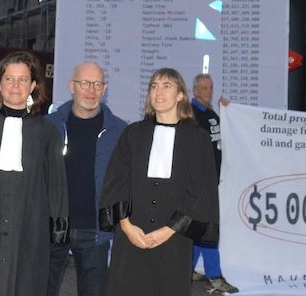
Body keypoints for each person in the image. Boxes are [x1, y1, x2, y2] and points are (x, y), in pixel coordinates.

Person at [0, 51, 69, 296]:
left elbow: (56, 186)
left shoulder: (46, 132)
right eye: (9, 79)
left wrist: (58, 233)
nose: (15, 85)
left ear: (33, 86)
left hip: (29, 228)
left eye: (23, 79)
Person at [98, 68, 219, 295]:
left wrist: (168, 230)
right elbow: (116, 182)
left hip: (174, 239)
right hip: (131, 236)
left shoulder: (197, 139)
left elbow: (200, 192)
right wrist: (126, 226)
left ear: (181, 95)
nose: (158, 92)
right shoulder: (133, 134)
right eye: (154, 86)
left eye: (166, 86)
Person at [46, 61, 128, 296]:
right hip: (54, 224)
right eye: (84, 83)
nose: (91, 90)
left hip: (94, 229)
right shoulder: (49, 126)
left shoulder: (119, 131)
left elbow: (124, 181)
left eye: (97, 84)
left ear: (104, 89)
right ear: (72, 86)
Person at [190, 73, 239, 294]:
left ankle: (186, 268)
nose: (208, 91)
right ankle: (215, 277)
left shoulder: (209, 113)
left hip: (211, 181)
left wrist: (226, 112)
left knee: (199, 228)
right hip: (200, 183)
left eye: (210, 87)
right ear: (195, 91)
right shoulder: (190, 114)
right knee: (209, 229)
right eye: (204, 88)